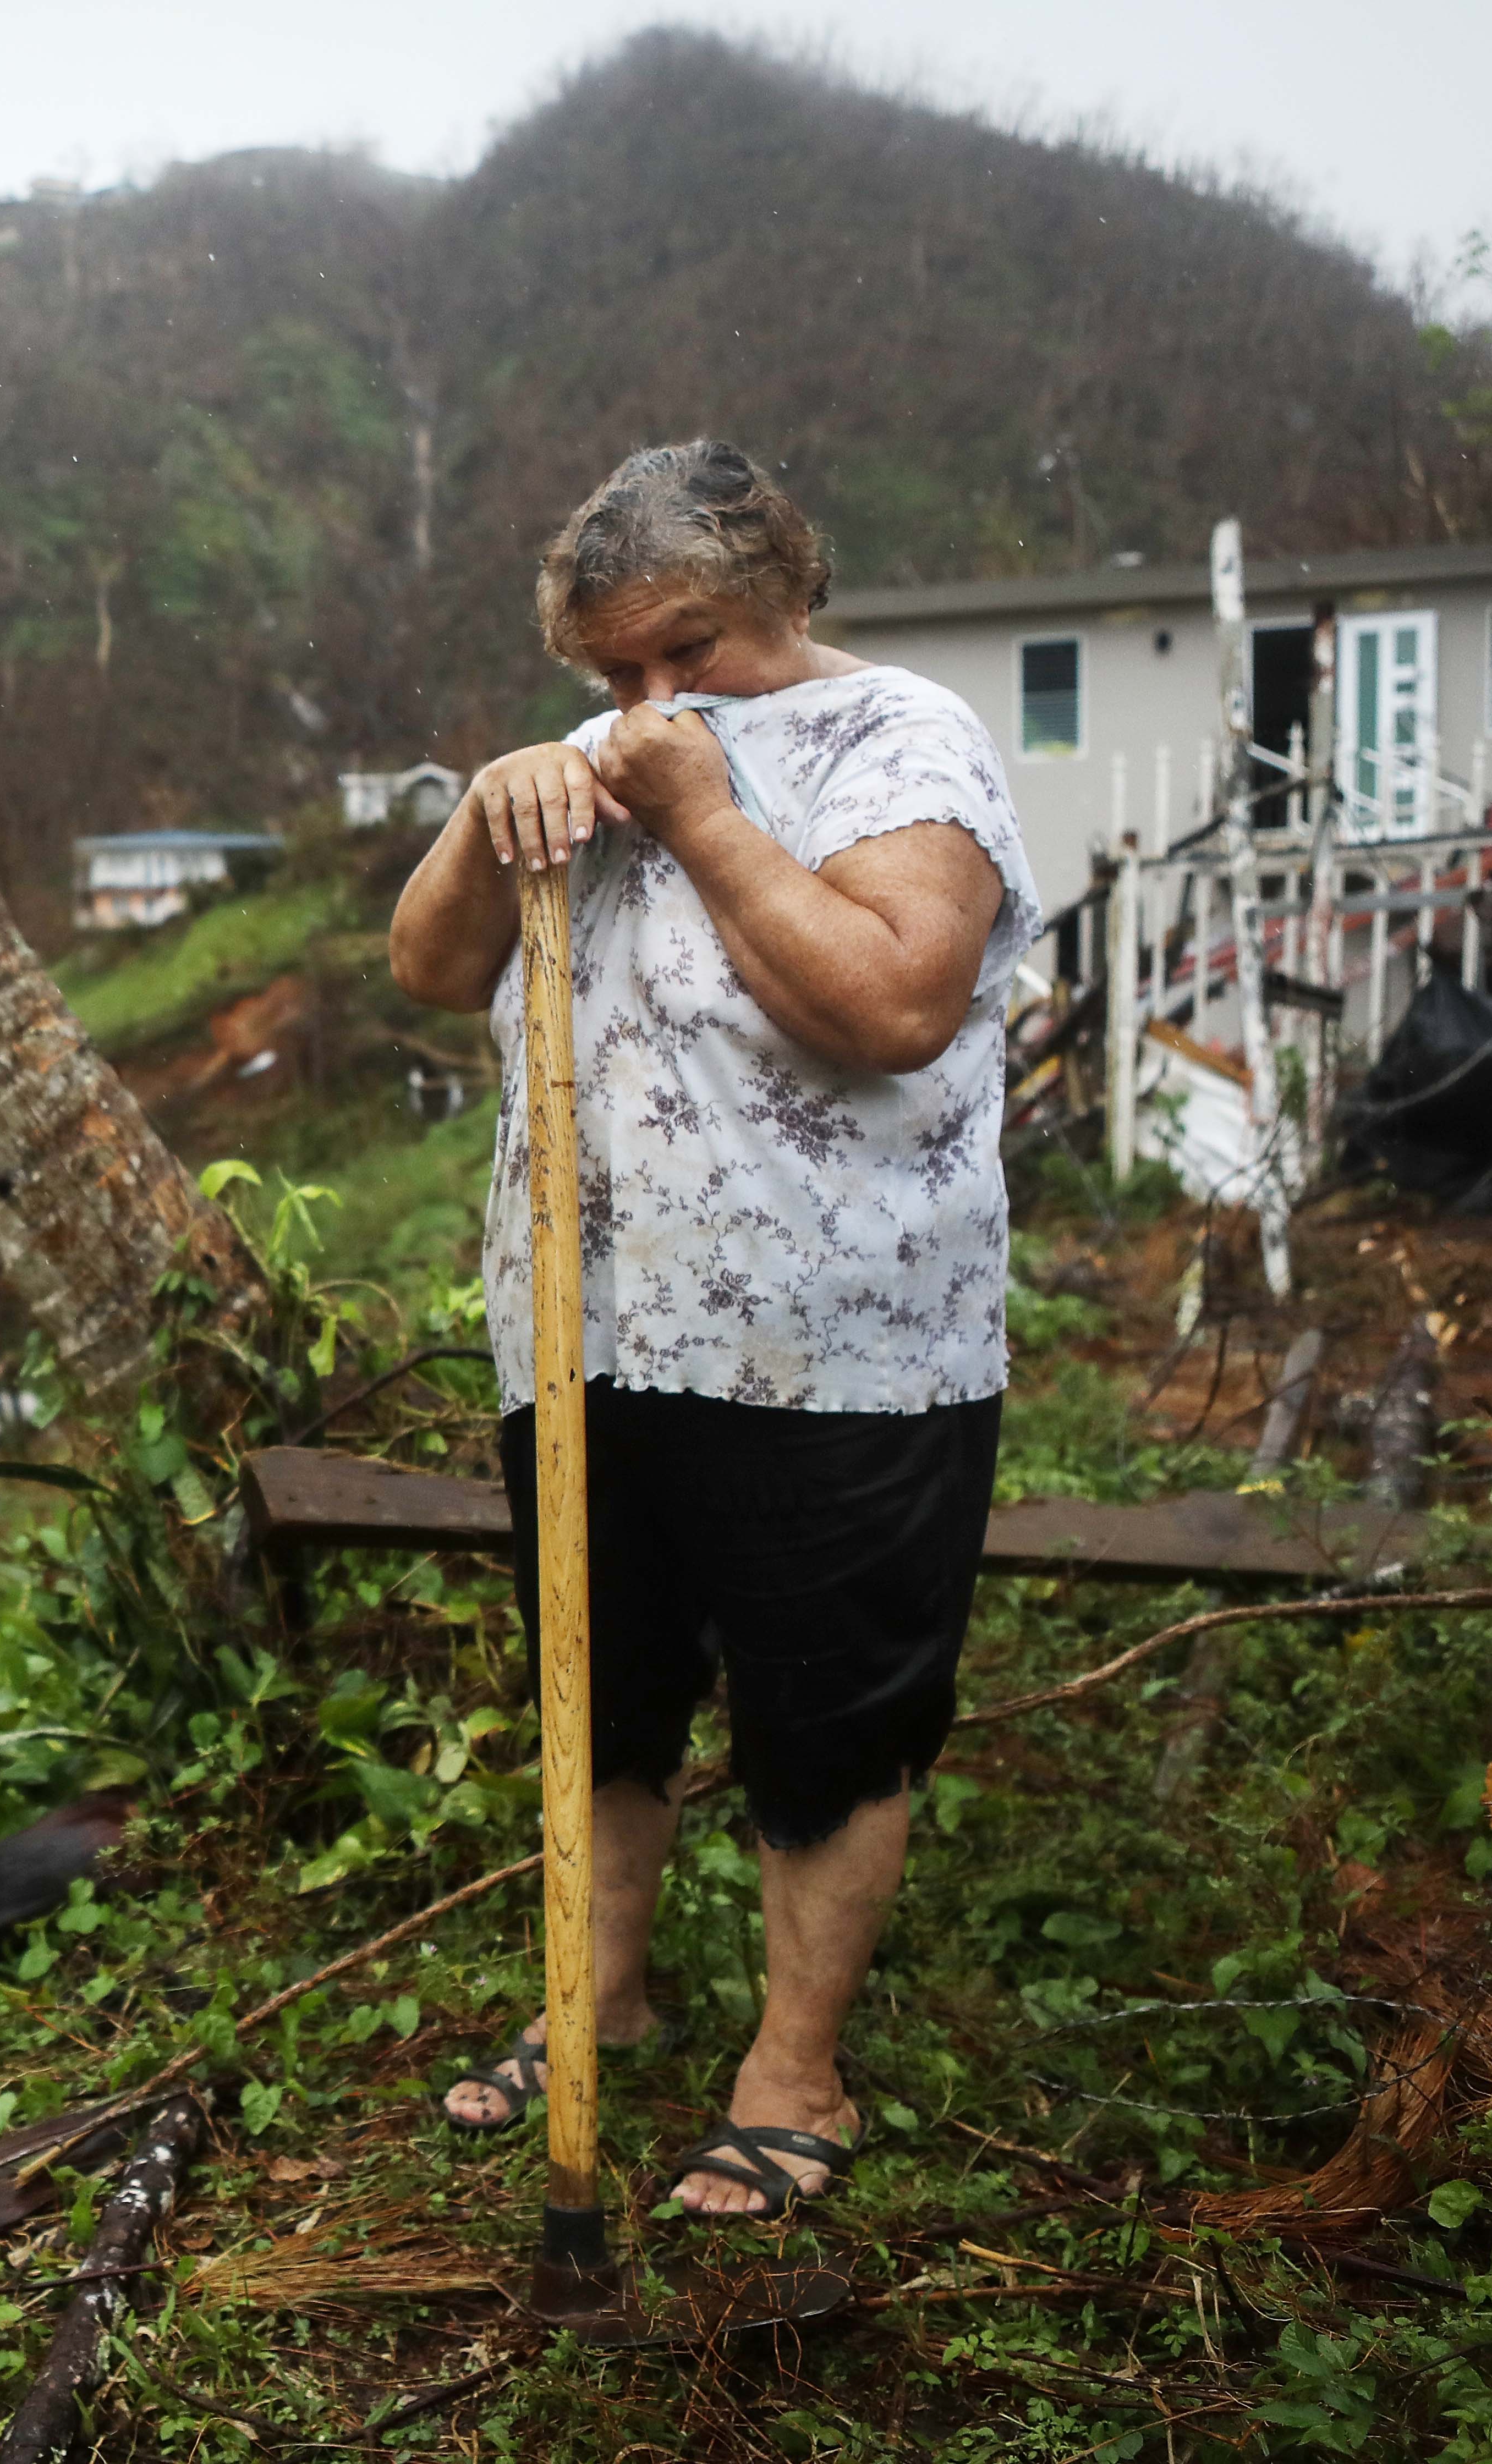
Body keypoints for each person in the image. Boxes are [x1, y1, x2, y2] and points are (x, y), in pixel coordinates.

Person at [385, 439, 1040, 2222]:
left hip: (834, 1344)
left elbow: (896, 1004)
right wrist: (486, 808)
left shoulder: (901, 742)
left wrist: (699, 806)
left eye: (693, 655)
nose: (653, 705)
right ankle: (600, 1999)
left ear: (789, 599)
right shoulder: (588, 762)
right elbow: (435, 969)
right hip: (587, 1327)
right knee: (604, 1693)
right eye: (615, 674)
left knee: (829, 1711)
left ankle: (794, 2070)